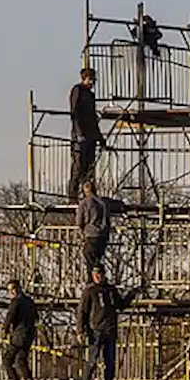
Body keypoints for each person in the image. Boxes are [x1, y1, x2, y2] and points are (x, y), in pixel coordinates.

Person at [77, 265, 137, 380]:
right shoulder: (90, 291)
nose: (97, 276)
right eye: (95, 274)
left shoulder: (111, 290)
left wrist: (131, 295)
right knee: (92, 360)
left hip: (110, 330)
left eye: (99, 274)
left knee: (110, 362)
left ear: (104, 274)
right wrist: (80, 330)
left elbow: (120, 305)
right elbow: (82, 311)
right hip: (96, 330)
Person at [68, 68, 104, 202]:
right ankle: (72, 198)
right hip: (80, 137)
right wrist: (79, 133)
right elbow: (75, 113)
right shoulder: (78, 90)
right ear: (85, 78)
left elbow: (93, 118)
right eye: (91, 79)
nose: (93, 82)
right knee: (78, 167)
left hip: (91, 137)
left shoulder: (90, 95)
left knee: (89, 168)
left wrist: (100, 138)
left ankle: (87, 196)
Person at [3, 280, 38, 380]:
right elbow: (36, 317)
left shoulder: (16, 302)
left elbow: (10, 316)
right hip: (29, 334)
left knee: (7, 359)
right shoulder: (30, 302)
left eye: (12, 288)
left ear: (17, 288)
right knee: (21, 361)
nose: (11, 292)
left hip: (19, 335)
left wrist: (5, 330)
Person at [76, 180, 112, 275]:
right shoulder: (103, 203)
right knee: (98, 261)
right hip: (102, 236)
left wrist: (82, 231)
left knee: (89, 261)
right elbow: (107, 220)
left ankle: (92, 281)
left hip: (91, 235)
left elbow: (79, 221)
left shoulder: (84, 203)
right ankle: (100, 278)